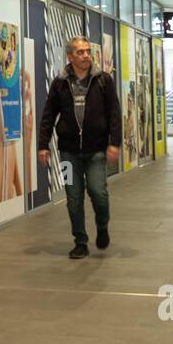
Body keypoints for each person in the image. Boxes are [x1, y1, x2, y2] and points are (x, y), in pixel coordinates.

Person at [38, 37, 121, 259]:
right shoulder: (60, 83)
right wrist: (42, 145)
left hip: (96, 151)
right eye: (80, 52)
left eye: (87, 51)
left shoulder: (103, 80)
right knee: (73, 198)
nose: (85, 55)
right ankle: (80, 241)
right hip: (67, 152)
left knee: (98, 192)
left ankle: (102, 227)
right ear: (70, 56)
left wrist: (115, 143)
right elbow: (48, 116)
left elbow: (114, 113)